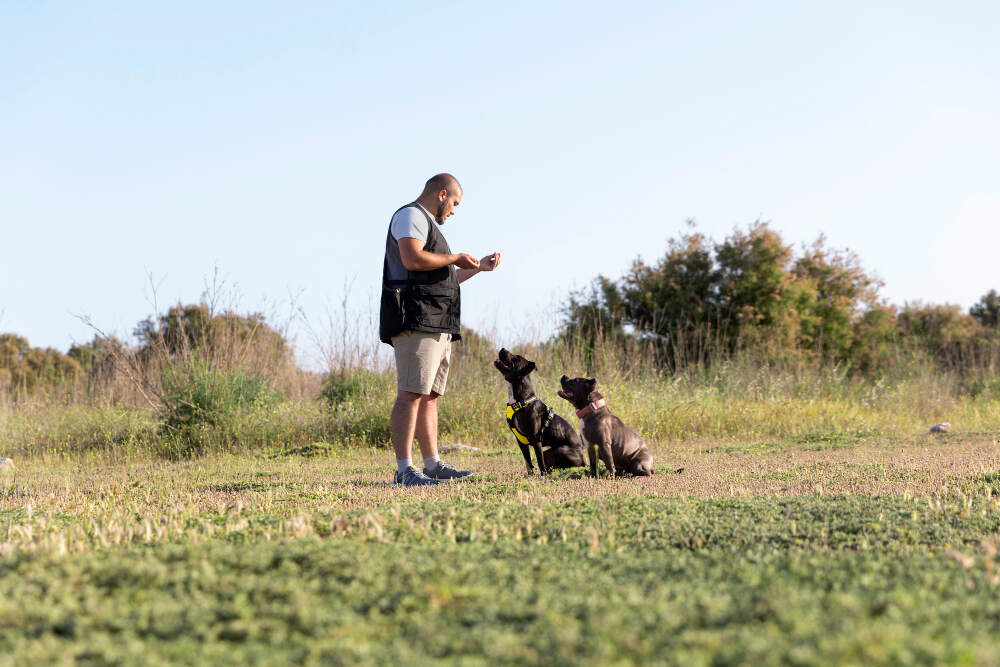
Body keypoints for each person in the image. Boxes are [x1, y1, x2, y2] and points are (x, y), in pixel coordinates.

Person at [379, 173, 501, 486]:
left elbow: (444, 279)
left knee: (430, 396)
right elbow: (412, 258)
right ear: (442, 194)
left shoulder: (430, 227)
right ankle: (404, 471)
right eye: (455, 203)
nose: (454, 211)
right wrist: (457, 256)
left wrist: (475, 268)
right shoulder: (411, 216)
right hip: (415, 320)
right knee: (410, 393)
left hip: (437, 324)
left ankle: (431, 465)